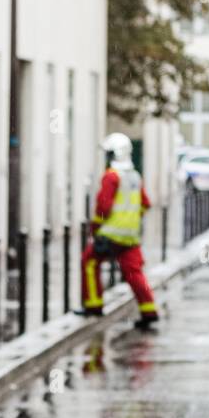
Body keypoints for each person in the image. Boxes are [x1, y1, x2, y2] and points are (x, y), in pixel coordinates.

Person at [78, 132, 159, 328]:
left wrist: (96, 228)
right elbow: (145, 204)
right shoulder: (135, 176)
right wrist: (130, 220)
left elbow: (103, 207)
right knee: (134, 273)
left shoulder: (111, 177)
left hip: (111, 234)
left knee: (89, 262)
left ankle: (93, 306)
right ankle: (149, 311)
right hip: (130, 236)